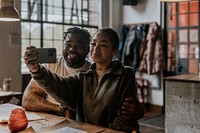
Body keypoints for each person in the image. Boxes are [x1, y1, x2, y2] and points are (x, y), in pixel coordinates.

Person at [24, 28, 144, 132]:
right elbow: (58, 86)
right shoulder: (83, 77)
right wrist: (37, 70)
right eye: (93, 43)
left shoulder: (125, 73)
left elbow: (125, 117)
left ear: (114, 51)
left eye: (103, 45)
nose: (96, 48)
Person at [22, 27, 91, 118]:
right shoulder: (51, 66)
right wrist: (60, 110)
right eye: (68, 45)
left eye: (79, 46)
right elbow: (27, 100)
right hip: (50, 121)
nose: (71, 49)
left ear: (88, 49)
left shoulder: (92, 72)